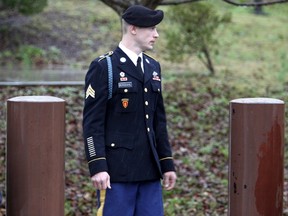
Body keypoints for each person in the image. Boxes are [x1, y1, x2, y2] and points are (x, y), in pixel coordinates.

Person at [83, 5, 177, 216]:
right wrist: (97, 165)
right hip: (116, 173)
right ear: (133, 29)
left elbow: (158, 122)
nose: (156, 34)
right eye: (151, 29)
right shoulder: (104, 67)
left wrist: (167, 163)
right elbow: (92, 124)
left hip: (150, 172)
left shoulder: (153, 67)